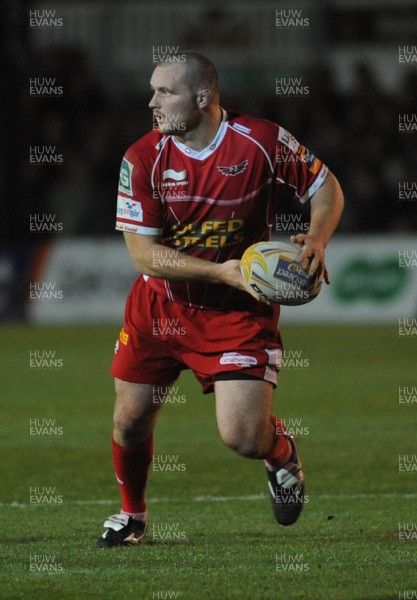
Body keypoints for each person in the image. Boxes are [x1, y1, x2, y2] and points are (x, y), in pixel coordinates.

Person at [97, 52, 344, 547]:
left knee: (243, 437)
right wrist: (221, 272)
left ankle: (280, 454)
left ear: (203, 97)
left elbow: (326, 188)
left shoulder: (262, 142)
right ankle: (132, 517)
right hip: (160, 307)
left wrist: (316, 239)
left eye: (165, 92)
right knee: (129, 421)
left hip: (238, 311)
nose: (152, 102)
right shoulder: (143, 158)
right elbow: (144, 256)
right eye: (153, 90)